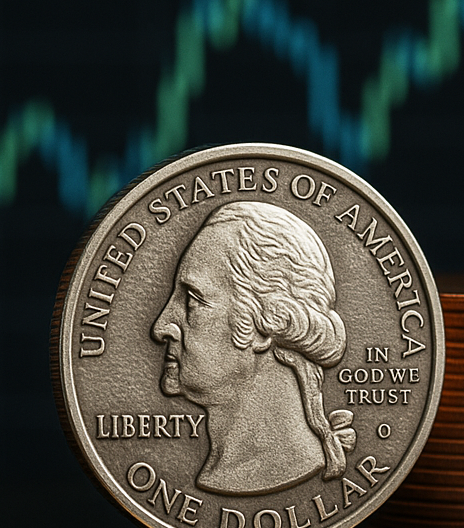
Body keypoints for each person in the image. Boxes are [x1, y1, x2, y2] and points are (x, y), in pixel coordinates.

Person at [151, 200, 354, 495]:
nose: (161, 327)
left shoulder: (288, 466)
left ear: (266, 323)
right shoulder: (231, 470)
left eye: (192, 300)